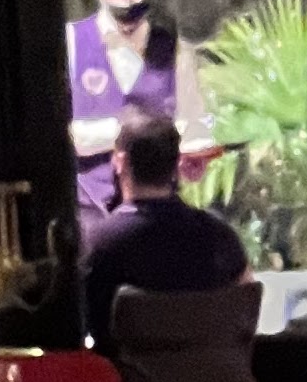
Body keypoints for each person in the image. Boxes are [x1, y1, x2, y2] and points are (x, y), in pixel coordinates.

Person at [66, 0, 210, 236]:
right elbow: (65, 135)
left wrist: (194, 155)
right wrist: (131, 132)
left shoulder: (175, 50)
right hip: (90, 213)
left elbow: (193, 125)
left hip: (158, 215)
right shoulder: (72, 44)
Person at [82, 110, 248, 349]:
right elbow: (247, 298)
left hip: (126, 373)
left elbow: (79, 318)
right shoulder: (219, 236)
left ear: (120, 161)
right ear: (176, 165)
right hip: (207, 371)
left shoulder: (98, 244)